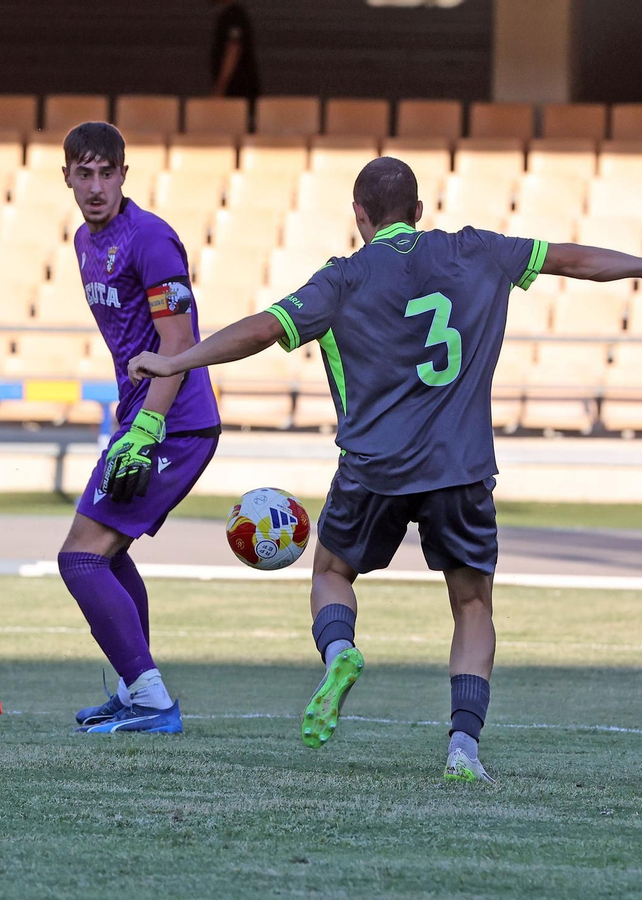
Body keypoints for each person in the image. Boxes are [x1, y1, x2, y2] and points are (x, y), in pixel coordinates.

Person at [127, 155, 642, 781]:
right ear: (420, 212)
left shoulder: (342, 280)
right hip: (461, 468)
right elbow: (573, 260)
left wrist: (176, 362)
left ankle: (340, 650)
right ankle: (463, 749)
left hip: (373, 468)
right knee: (472, 606)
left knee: (332, 571)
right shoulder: (478, 250)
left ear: (359, 216)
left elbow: (263, 329)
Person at [53, 122, 221, 737]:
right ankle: (134, 689)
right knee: (107, 552)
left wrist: (148, 424)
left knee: (80, 560)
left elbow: (180, 341)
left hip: (172, 424)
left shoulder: (150, 239)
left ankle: (152, 700)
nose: (96, 186)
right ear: (66, 176)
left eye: (107, 173)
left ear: (126, 174)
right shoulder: (83, 239)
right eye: (84, 173)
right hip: (143, 420)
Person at [210, 0, 261, 100]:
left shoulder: (234, 15)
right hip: (234, 91)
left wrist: (220, 88)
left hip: (239, 91)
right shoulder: (227, 15)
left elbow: (233, 51)